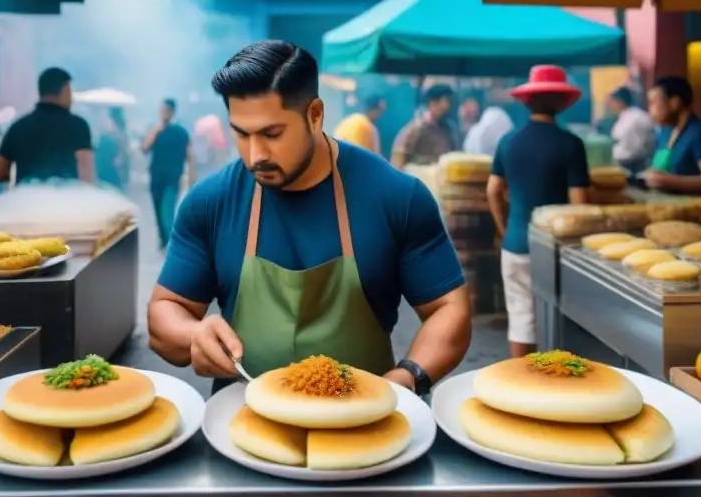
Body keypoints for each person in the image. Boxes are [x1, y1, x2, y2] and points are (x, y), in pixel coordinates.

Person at [147, 40, 470, 395]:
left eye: (272, 134)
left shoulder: (396, 196)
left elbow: (449, 309)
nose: (256, 156)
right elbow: (165, 312)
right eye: (242, 133)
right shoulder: (210, 202)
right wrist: (193, 334)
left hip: (363, 424)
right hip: (239, 424)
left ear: (315, 115)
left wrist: (406, 379)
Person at [486, 65, 590, 358]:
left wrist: (504, 229)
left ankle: (521, 385)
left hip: (516, 242)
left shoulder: (508, 141)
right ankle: (556, 384)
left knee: (521, 318)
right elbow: (580, 206)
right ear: (561, 102)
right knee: (559, 321)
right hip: (558, 250)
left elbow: (493, 190)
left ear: (527, 101)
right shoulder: (571, 144)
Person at [0, 68, 94, 185]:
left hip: (26, 199)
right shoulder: (78, 126)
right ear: (65, 90)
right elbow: (86, 174)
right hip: (66, 200)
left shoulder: (18, 126)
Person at [643, 76, 701, 194]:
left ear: (674, 103)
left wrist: (668, 181)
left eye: (653, 103)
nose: (650, 110)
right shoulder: (666, 132)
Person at [142, 98, 194, 249]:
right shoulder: (155, 130)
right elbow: (145, 148)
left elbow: (190, 155)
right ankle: (164, 240)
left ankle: (173, 243)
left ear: (172, 112)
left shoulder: (181, 132)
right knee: (158, 210)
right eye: (162, 110)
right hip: (156, 177)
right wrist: (157, 129)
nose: (163, 113)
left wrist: (192, 176)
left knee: (167, 209)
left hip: (173, 177)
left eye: (166, 110)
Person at [396, 84, 457, 167]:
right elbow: (400, 153)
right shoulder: (417, 128)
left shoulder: (448, 129)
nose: (448, 106)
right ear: (433, 103)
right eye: (446, 101)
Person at [608, 86, 655, 174]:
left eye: (612, 101)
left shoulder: (633, 119)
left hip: (633, 166)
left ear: (619, 102)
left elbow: (634, 151)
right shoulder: (628, 116)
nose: (609, 105)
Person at [463, 88, 515, 157]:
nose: (468, 110)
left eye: (470, 104)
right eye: (464, 106)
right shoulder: (470, 135)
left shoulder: (494, 117)